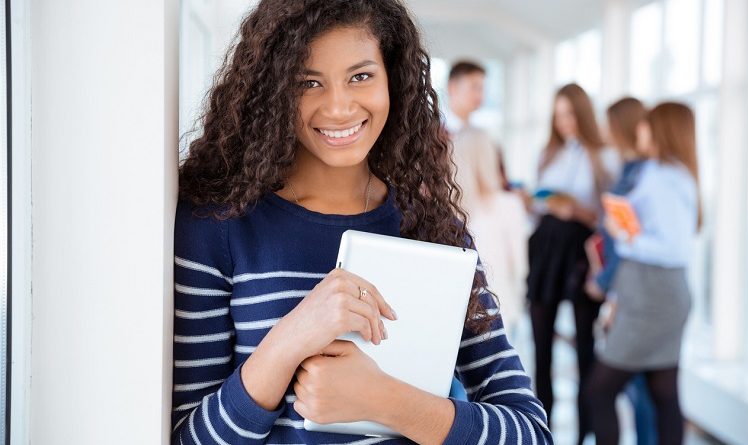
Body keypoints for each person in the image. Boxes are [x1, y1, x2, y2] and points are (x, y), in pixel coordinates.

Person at [171, 1, 553, 444]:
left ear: (393, 77)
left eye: (360, 76)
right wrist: (288, 341)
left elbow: (531, 432)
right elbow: (189, 438)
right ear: (272, 89)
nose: (338, 108)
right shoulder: (216, 225)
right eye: (308, 82)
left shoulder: (432, 227)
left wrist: (385, 401)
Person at [588, 102, 701, 445]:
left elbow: (674, 247)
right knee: (663, 389)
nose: (640, 130)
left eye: (647, 125)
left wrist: (624, 236)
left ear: (660, 130)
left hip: (654, 296)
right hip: (653, 292)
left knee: (601, 390)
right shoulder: (664, 172)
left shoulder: (668, 177)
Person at [526, 83, 620, 445]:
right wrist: (532, 201)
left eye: (569, 114)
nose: (564, 122)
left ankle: (585, 433)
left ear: (582, 113)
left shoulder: (603, 157)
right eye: (558, 115)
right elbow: (538, 204)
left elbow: (610, 218)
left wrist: (576, 210)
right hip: (546, 251)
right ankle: (540, 429)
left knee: (585, 350)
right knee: (541, 345)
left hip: (579, 254)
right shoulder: (548, 153)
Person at [585, 97, 657, 445]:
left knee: (637, 387)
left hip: (634, 292)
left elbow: (632, 241)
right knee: (637, 387)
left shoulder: (643, 174)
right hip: (625, 288)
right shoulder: (629, 170)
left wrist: (606, 284)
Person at [457, 129, 530, 354]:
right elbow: (521, 266)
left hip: (460, 312)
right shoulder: (510, 205)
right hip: (502, 308)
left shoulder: (450, 210)